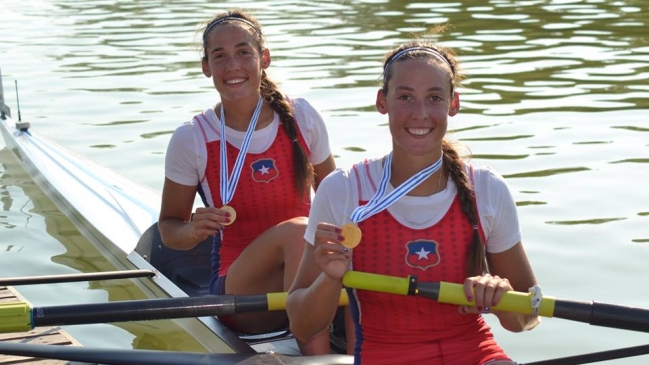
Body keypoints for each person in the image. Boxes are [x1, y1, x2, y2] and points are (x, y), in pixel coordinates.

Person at [286, 36, 540, 364]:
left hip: (474, 352)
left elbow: (528, 318)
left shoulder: (487, 188)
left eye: (434, 97)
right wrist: (331, 277)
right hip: (385, 354)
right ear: (383, 101)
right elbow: (302, 326)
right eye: (405, 97)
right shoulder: (343, 190)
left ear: (453, 103)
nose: (420, 113)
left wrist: (502, 295)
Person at [158, 9, 336, 354]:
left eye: (243, 52)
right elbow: (168, 228)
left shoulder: (302, 117)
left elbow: (337, 203)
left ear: (263, 58)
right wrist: (192, 231)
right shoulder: (192, 138)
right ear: (206, 67)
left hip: (308, 273)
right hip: (241, 296)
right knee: (301, 230)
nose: (232, 66)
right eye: (219, 56)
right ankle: (321, 358)